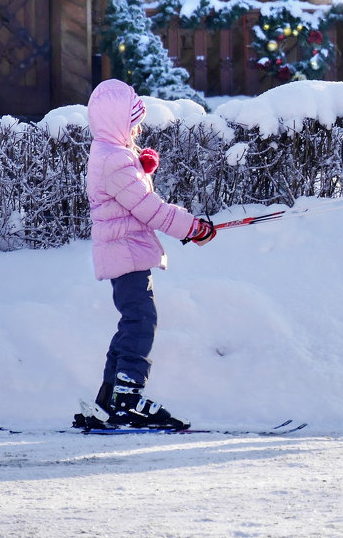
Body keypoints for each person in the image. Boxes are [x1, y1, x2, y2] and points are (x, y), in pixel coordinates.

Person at [86, 78, 217, 430]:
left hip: (124, 252)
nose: (138, 128)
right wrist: (192, 228)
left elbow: (130, 199)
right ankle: (127, 397)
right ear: (117, 122)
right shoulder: (115, 161)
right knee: (142, 321)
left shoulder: (111, 154)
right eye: (133, 122)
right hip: (126, 253)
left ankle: (110, 396)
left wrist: (139, 169)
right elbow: (149, 209)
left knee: (131, 322)